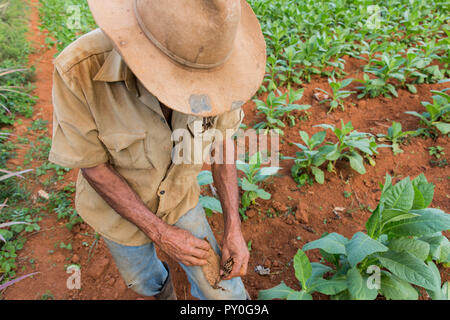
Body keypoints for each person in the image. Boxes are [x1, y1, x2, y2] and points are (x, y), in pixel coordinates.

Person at [48, 0, 266, 300]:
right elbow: (94, 167)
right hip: (116, 213)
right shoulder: (79, 71)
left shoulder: (220, 67)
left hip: (179, 197)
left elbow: (222, 144)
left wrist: (233, 227)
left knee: (224, 294)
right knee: (144, 281)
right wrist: (160, 233)